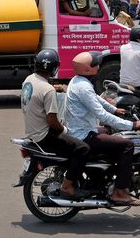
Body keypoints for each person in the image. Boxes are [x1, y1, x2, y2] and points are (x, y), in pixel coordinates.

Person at [65, 51, 140, 207]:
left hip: (81, 129)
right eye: (95, 64)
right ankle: (119, 192)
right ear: (88, 69)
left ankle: (107, 175)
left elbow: (96, 99)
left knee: (110, 132)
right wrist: (132, 125)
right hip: (84, 135)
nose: (99, 65)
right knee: (127, 145)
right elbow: (101, 114)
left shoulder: (78, 81)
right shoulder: (83, 87)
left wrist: (115, 110)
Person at [21, 50, 90, 200]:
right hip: (45, 135)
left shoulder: (29, 80)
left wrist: (56, 88)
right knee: (83, 148)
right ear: (53, 68)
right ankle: (68, 186)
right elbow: (52, 122)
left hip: (32, 131)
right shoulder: (47, 90)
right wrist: (65, 129)